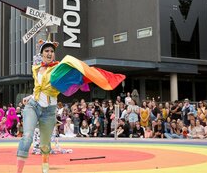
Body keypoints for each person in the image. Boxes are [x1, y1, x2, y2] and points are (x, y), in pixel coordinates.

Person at [16, 39, 125, 173]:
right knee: (27, 137)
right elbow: (38, 88)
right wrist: (30, 97)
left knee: (45, 146)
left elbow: (74, 72)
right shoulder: (36, 68)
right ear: (42, 53)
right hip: (33, 106)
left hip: (49, 111)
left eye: (52, 51)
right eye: (46, 51)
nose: (49, 53)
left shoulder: (59, 69)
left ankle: (45, 169)